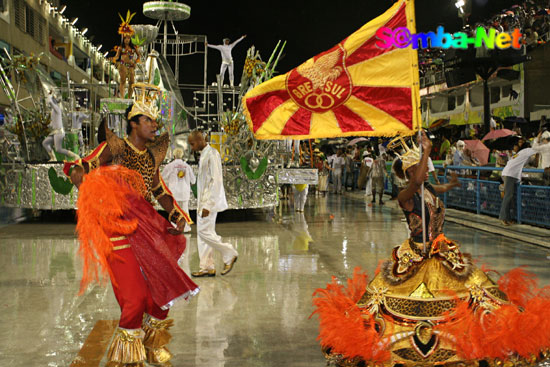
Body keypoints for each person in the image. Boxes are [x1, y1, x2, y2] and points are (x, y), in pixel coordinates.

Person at [313, 131, 550, 367]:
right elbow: (416, 182)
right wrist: (426, 149)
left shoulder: (429, 189)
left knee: (478, 292)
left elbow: (440, 188)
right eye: (421, 167)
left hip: (442, 251)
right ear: (409, 172)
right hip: (417, 254)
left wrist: (453, 183)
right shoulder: (405, 195)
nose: (427, 170)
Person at [66, 85, 197, 367]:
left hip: (146, 228)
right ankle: (129, 357)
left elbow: (160, 191)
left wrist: (176, 215)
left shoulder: (151, 157)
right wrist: (79, 175)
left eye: (155, 121)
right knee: (135, 298)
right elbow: (82, 166)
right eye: (148, 120)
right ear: (133, 123)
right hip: (117, 230)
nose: (154, 125)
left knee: (164, 289)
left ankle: (151, 344)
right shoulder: (114, 148)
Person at [187, 131, 238, 277]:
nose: (191, 148)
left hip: (209, 202)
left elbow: (216, 181)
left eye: (192, 143)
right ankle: (207, 266)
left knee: (204, 232)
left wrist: (208, 205)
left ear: (200, 139)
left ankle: (229, 253)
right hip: (202, 202)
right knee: (203, 234)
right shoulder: (204, 154)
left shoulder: (212, 154)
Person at [499, 145, 538, 225]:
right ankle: (503, 217)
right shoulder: (528, 151)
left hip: (510, 174)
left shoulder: (521, 153)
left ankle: (508, 218)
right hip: (510, 174)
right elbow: (539, 151)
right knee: (508, 196)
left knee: (511, 197)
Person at [162, 148, 196, 233]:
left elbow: (162, 177)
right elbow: (193, 180)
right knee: (185, 210)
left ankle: (175, 226)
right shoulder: (187, 166)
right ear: (182, 156)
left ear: (174, 156)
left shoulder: (170, 166)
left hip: (174, 192)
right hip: (185, 192)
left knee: (174, 211)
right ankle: (186, 228)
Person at [42, 93, 80, 162]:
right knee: (45, 143)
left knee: (58, 149)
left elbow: (50, 102)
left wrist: (49, 95)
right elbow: (53, 122)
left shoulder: (57, 108)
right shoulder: (53, 111)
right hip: (54, 132)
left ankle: (75, 156)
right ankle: (53, 158)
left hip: (59, 132)